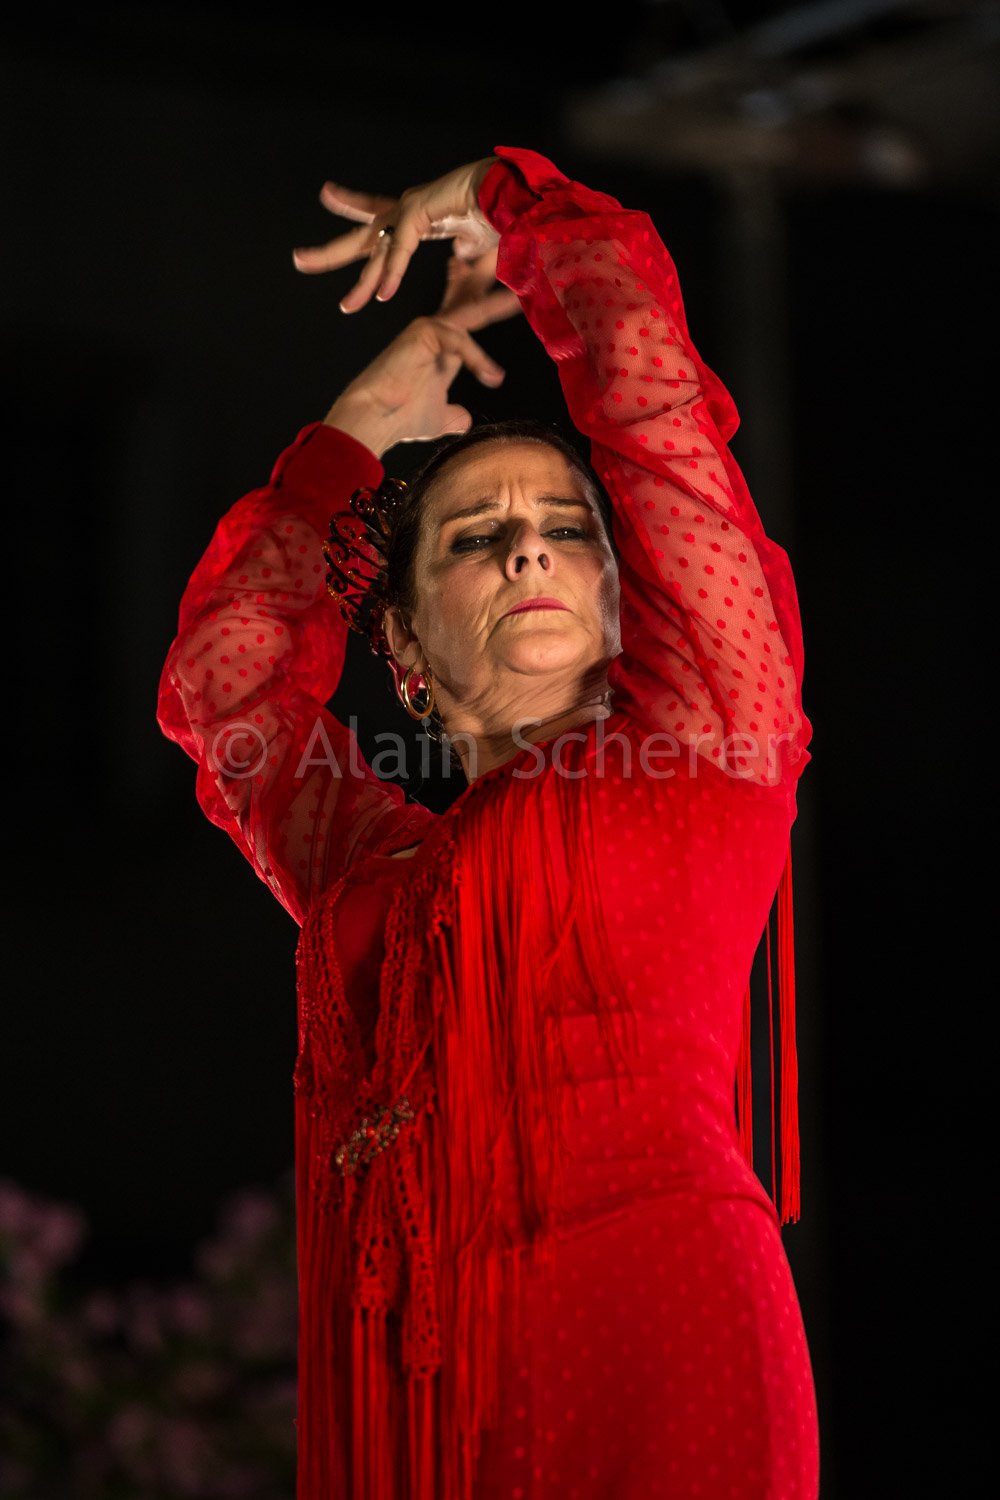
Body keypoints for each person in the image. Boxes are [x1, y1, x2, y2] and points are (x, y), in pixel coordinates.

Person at [157, 145, 818, 1500]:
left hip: (657, 1333)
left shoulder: (704, 740)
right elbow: (226, 690)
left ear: (623, 593)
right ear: (404, 644)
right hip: (422, 1394)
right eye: (473, 536)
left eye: (567, 529)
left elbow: (650, 406)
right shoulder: (373, 866)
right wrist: (353, 434)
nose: (525, 548)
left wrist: (505, 205)